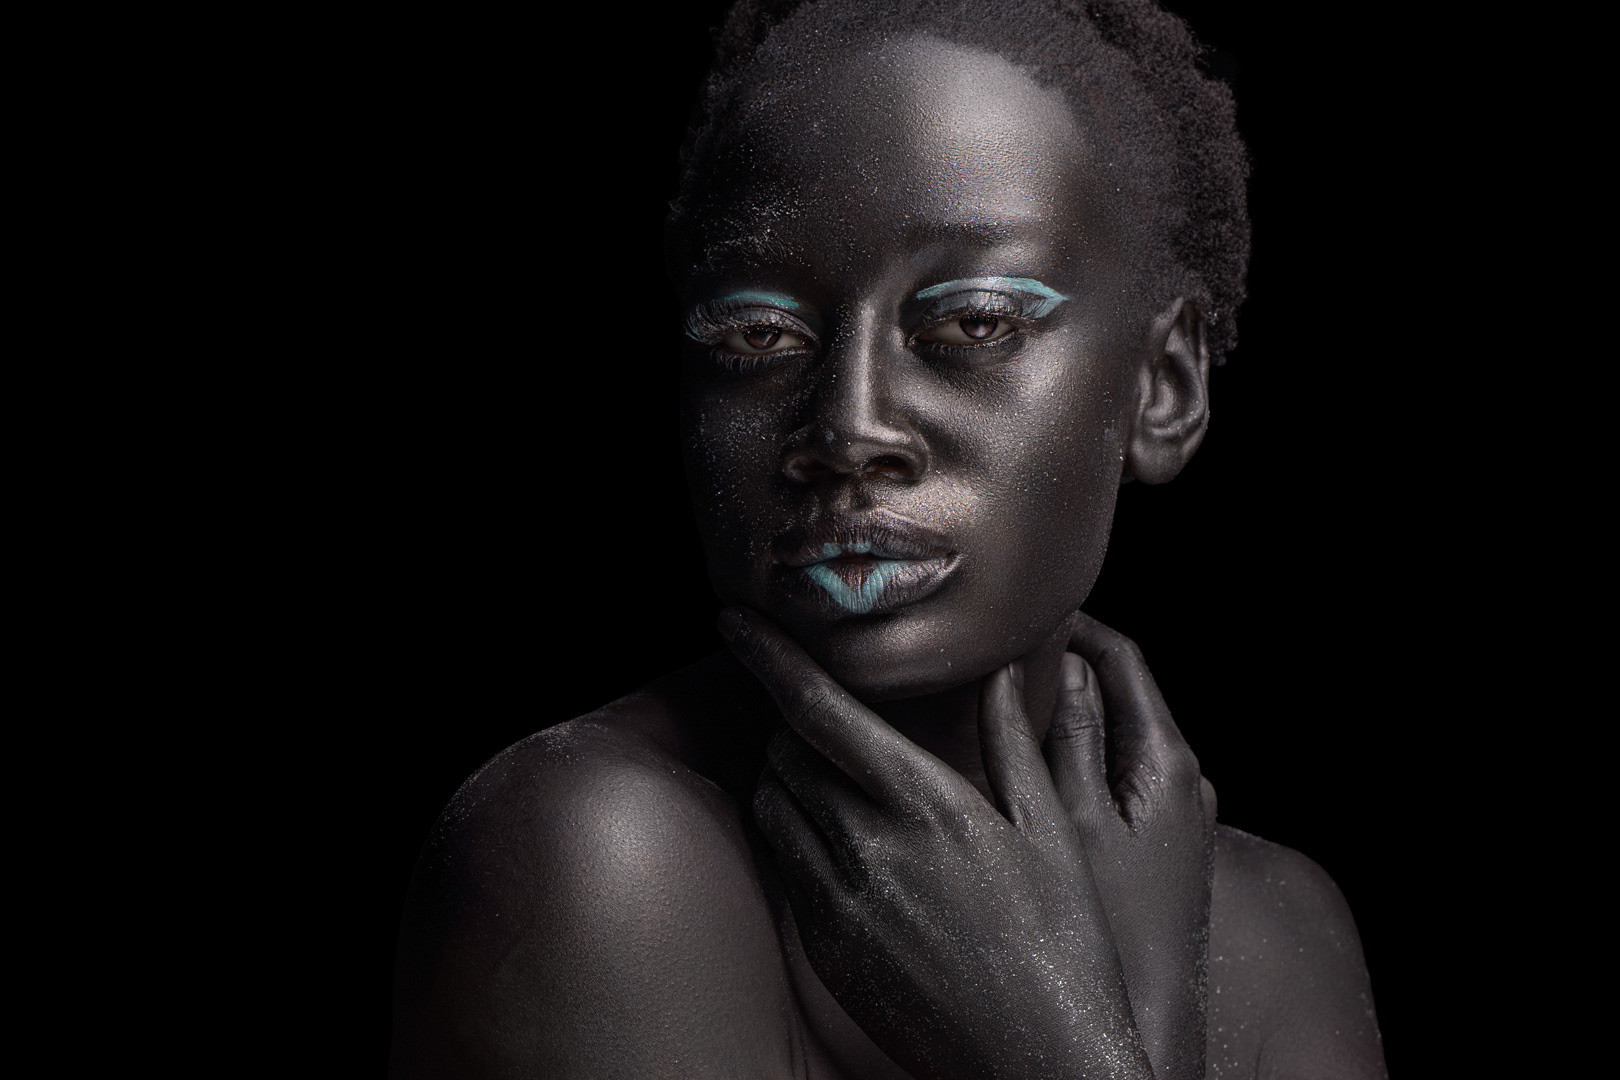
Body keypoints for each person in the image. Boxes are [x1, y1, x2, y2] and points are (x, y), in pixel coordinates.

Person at [390, 1, 1387, 1076]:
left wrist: (1109, 1015)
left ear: (1166, 386)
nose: (849, 429)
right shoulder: (599, 852)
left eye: (973, 323)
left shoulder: (1274, 930)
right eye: (760, 333)